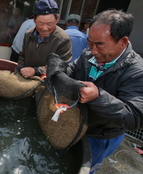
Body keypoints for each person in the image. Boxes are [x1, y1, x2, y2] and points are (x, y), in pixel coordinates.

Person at [67, 9, 143, 174]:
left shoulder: (137, 72)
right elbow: (71, 70)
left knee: (86, 167)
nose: (93, 50)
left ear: (122, 41)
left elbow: (135, 116)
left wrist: (98, 97)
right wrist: (57, 71)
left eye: (100, 45)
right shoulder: (88, 54)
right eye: (90, 42)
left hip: (101, 136)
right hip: (80, 124)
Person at [17, 0, 72, 78]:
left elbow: (61, 65)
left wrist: (35, 71)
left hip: (47, 82)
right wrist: (22, 69)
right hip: (26, 79)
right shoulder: (28, 34)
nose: (45, 28)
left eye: (50, 24)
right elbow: (22, 55)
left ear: (57, 19)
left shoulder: (63, 39)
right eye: (41, 23)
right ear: (34, 19)